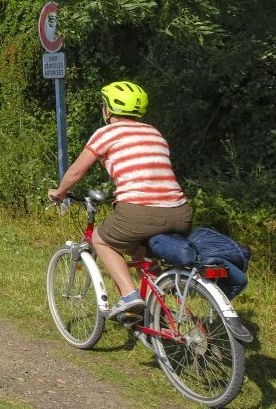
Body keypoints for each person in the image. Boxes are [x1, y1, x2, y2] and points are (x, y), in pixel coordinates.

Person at [48, 81, 191, 323]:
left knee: (101, 240)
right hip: (180, 212)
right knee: (141, 253)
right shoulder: (153, 132)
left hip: (139, 212)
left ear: (108, 109)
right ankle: (164, 309)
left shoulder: (106, 133)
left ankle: (128, 295)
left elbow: (76, 172)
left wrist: (60, 192)